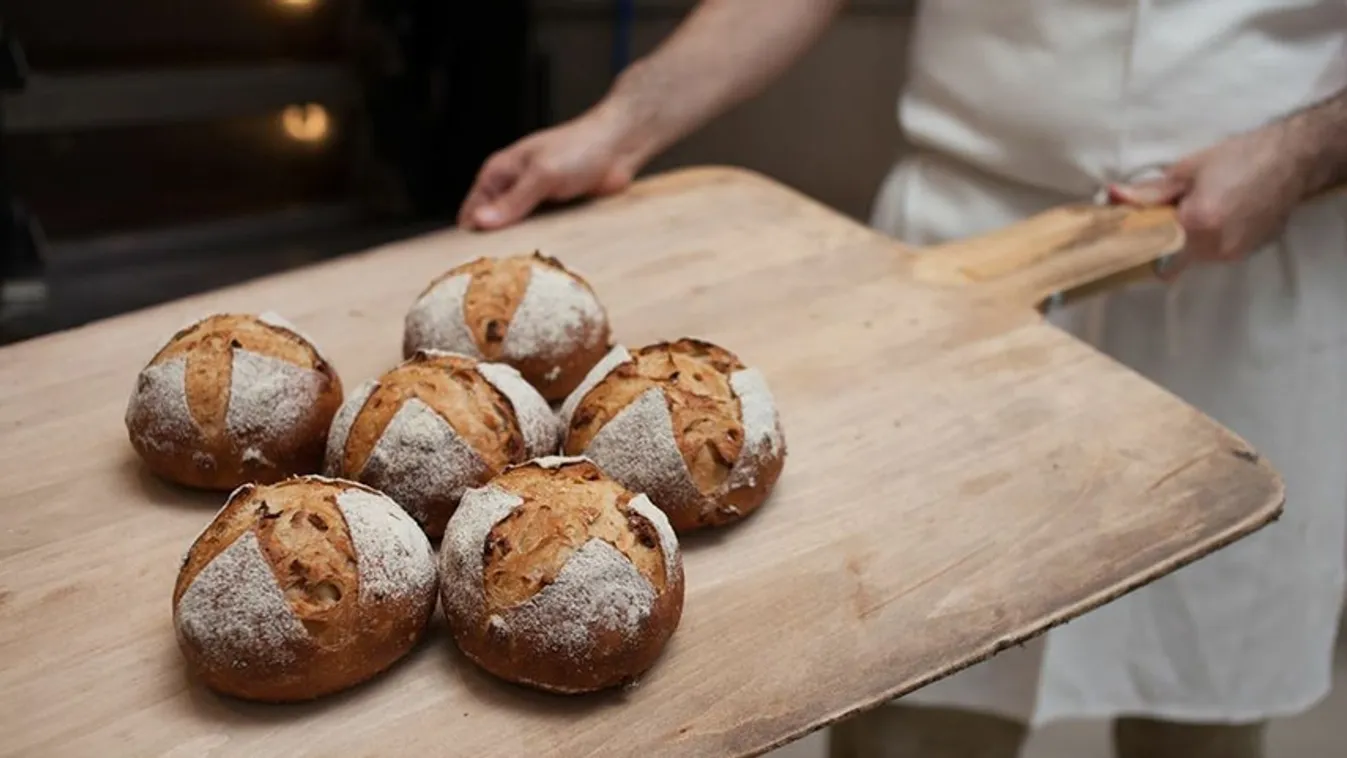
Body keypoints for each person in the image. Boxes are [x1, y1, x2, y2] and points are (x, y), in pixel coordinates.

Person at [457, 2, 1347, 756]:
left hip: (1250, 291)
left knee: (1200, 714)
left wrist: (1305, 149)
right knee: (911, 710)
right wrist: (623, 122)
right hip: (955, 248)